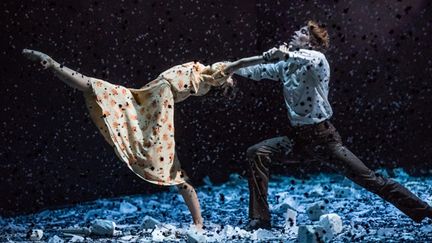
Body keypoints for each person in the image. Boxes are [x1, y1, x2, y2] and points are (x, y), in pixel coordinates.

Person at [22, 48, 286, 230]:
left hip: (160, 98)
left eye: (228, 80)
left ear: (223, 82)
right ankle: (54, 65)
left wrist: (264, 57)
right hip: (151, 93)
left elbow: (239, 64)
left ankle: (198, 222)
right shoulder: (204, 73)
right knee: (104, 90)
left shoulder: (216, 74)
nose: (227, 75)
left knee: (167, 159)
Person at [235, 20, 432, 230]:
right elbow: (257, 71)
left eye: (303, 32)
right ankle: (260, 219)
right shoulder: (286, 66)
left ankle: (424, 210)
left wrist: (283, 54)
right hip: (298, 139)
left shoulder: (317, 60)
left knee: (371, 180)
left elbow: (305, 58)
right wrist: (226, 69)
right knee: (257, 152)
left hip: (324, 139)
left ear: (311, 43)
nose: (295, 32)